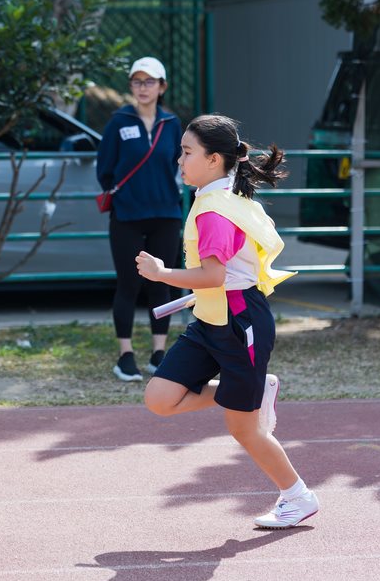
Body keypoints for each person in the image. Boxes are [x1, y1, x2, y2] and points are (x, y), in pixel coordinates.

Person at [135, 114, 319, 529]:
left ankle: (298, 497)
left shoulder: (216, 210)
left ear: (214, 159)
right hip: (211, 317)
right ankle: (257, 388)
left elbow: (214, 276)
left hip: (239, 322)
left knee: (243, 428)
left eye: (187, 152)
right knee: (160, 398)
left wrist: (162, 274)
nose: (179, 160)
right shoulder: (216, 198)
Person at [96, 56, 184, 381]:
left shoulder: (171, 123)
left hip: (166, 213)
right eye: (137, 81)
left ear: (162, 86)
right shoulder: (118, 122)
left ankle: (159, 353)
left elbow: (180, 164)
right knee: (128, 283)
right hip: (127, 215)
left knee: (161, 282)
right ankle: (125, 355)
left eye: (149, 82)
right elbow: (104, 169)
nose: (143, 87)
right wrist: (127, 194)